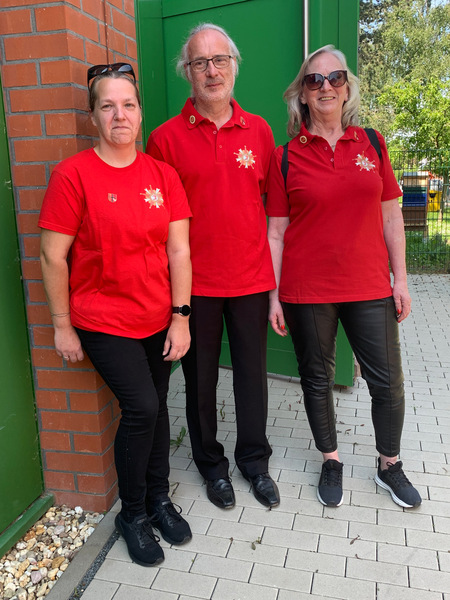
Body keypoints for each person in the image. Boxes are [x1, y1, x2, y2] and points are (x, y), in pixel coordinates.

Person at [39, 63, 193, 567]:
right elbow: (52, 256)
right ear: (93, 117)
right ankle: (133, 514)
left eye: (127, 105)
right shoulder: (73, 175)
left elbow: (179, 251)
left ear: (140, 114)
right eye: (107, 106)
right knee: (143, 408)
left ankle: (159, 498)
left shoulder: (162, 175)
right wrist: (62, 325)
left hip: (158, 316)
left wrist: (181, 316)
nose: (119, 115)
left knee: (158, 406)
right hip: (103, 319)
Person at [266, 45, 421, 509]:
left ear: (347, 87)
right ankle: (330, 460)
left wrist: (401, 279)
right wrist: (274, 296)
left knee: (387, 382)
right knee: (317, 380)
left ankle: (389, 464)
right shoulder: (285, 157)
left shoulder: (372, 143)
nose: (326, 86)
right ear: (302, 94)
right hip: (307, 289)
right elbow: (276, 232)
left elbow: (391, 216)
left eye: (335, 77)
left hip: (370, 285)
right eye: (314, 80)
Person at [146, 23, 280, 509]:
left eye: (220, 60)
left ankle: (255, 462)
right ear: (187, 72)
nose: (211, 71)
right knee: (200, 383)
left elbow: (272, 212)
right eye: (200, 62)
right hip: (195, 286)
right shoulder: (164, 139)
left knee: (252, 379)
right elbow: (157, 223)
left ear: (234, 65)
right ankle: (211, 466)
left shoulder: (260, 131)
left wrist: (275, 288)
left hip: (250, 278)